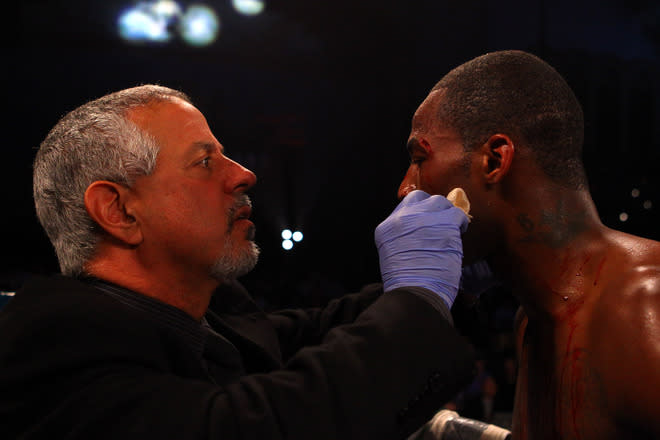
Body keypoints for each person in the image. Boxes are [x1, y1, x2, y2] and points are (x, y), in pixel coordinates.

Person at [0, 85, 476, 439]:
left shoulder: (213, 318)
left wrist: (469, 274)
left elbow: (325, 332)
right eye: (205, 162)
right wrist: (419, 296)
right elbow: (250, 427)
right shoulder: (52, 346)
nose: (244, 174)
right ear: (120, 210)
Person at [397, 49, 660, 439]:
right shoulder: (533, 320)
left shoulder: (643, 305)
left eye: (420, 158)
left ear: (494, 160)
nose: (406, 189)